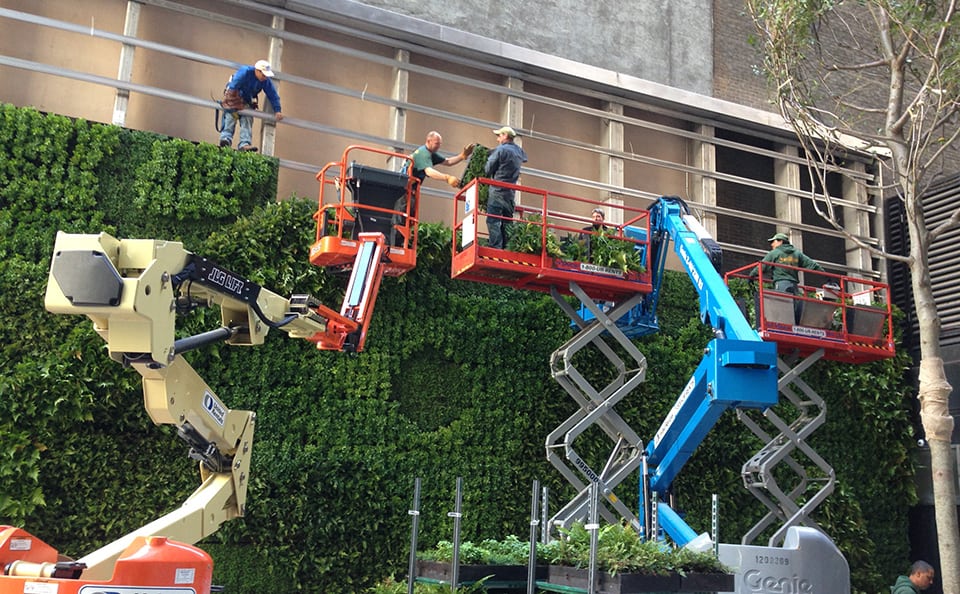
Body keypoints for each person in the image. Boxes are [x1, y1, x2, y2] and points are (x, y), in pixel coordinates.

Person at [219, 60, 284, 152]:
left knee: (247, 119)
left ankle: (244, 144)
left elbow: (273, 95)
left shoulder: (265, 81)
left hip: (247, 101)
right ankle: (225, 139)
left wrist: (278, 110)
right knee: (230, 116)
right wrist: (231, 98)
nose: (265, 77)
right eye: (263, 75)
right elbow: (235, 83)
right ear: (257, 71)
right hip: (234, 98)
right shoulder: (245, 71)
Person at [484, 125, 528, 249]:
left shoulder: (501, 150)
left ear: (505, 136)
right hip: (510, 193)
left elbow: (487, 169)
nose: (498, 139)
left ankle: (495, 247)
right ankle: (507, 248)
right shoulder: (519, 152)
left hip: (497, 190)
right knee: (507, 221)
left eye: (499, 136)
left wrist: (487, 158)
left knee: (493, 220)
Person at [756, 232, 824, 294]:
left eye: (773, 241)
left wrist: (751, 276)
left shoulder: (775, 253)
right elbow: (812, 265)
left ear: (780, 241)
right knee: (793, 304)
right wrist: (825, 276)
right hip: (794, 285)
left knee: (783, 304)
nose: (772, 244)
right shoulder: (797, 253)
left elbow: (762, 266)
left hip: (781, 283)